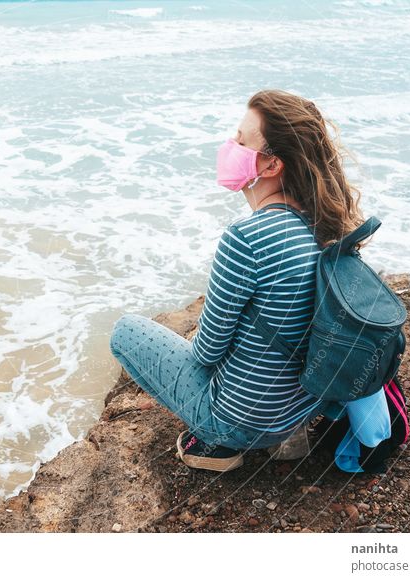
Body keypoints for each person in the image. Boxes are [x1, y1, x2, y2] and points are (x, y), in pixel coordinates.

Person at [109, 88, 366, 472]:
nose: (229, 145)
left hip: (242, 421)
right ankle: (288, 437)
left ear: (271, 165)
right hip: (299, 407)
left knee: (125, 331)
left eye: (240, 140)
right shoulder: (328, 228)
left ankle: (218, 444)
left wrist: (203, 335)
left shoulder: (248, 238)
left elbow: (206, 353)